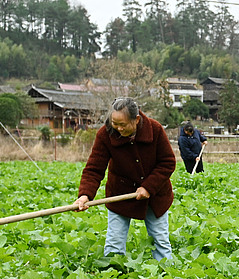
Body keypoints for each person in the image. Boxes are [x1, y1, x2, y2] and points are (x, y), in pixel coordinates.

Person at [75, 97, 176, 260]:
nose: (119, 128)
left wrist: (148, 187)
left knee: (160, 241)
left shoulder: (155, 129)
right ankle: (113, 271)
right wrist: (85, 195)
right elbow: (94, 168)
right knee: (114, 242)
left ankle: (165, 271)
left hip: (155, 195)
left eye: (123, 124)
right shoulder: (106, 134)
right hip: (120, 193)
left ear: (136, 120)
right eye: (115, 123)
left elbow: (167, 162)